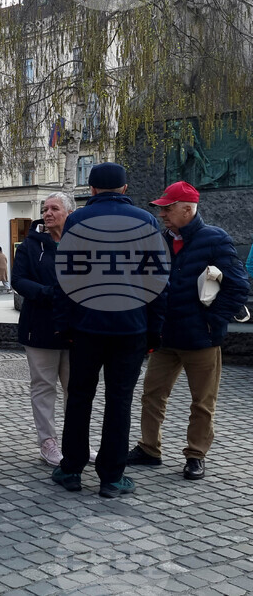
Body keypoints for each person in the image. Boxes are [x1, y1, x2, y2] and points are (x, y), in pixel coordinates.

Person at [51, 162, 167, 499]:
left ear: (91, 189)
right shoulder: (146, 221)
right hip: (130, 326)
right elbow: (158, 281)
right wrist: (154, 330)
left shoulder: (77, 221)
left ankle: (71, 469)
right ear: (125, 188)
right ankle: (112, 478)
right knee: (120, 401)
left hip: (86, 326)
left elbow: (64, 278)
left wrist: (64, 325)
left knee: (79, 398)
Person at [127, 181, 250, 480]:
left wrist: (211, 321)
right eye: (161, 209)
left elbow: (238, 286)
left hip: (201, 338)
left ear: (187, 209)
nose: (162, 214)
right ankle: (149, 449)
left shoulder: (215, 239)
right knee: (152, 394)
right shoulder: (160, 240)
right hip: (166, 336)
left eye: (167, 209)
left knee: (202, 402)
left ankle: (196, 455)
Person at [12, 193, 75, 467]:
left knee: (76, 388)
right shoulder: (30, 244)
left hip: (75, 328)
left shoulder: (81, 241)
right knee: (44, 387)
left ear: (69, 213)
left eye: (54, 209)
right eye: (45, 209)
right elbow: (18, 280)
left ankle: (76, 442)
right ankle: (48, 442)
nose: (47, 213)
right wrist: (49, 293)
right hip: (39, 326)